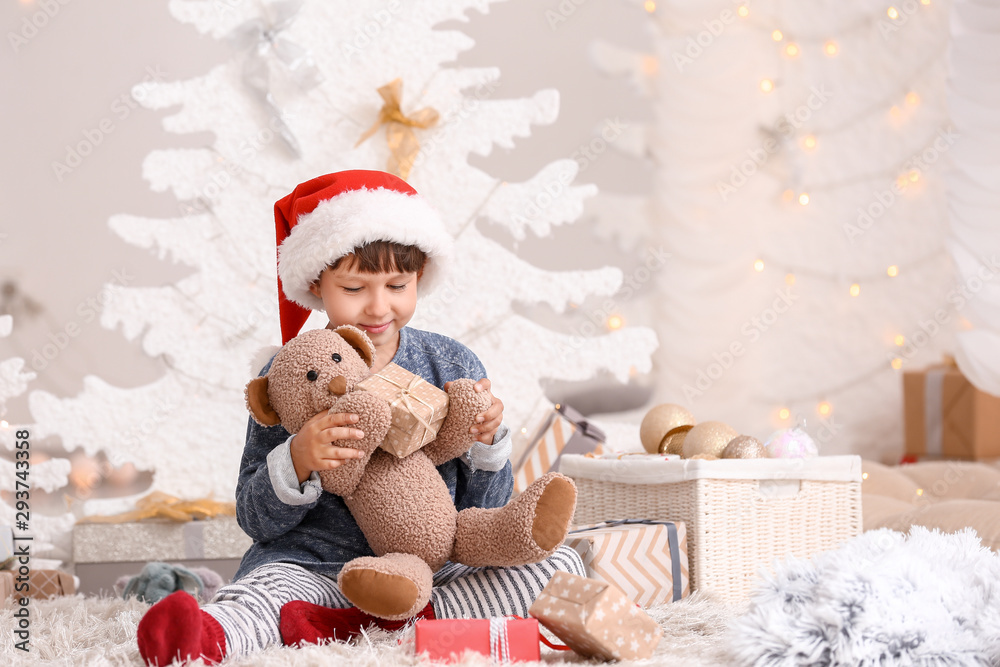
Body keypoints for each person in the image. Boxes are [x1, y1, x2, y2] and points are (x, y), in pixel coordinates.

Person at [136, 170, 585, 665]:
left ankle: (381, 619)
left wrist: (485, 442)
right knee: (264, 590)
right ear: (316, 283)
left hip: (428, 567)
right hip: (314, 568)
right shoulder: (286, 377)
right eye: (353, 287)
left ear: (420, 278)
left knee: (555, 565)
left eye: (398, 284)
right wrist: (298, 458)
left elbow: (488, 507)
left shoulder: (452, 365)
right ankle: (209, 637)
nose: (378, 306)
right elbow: (254, 518)